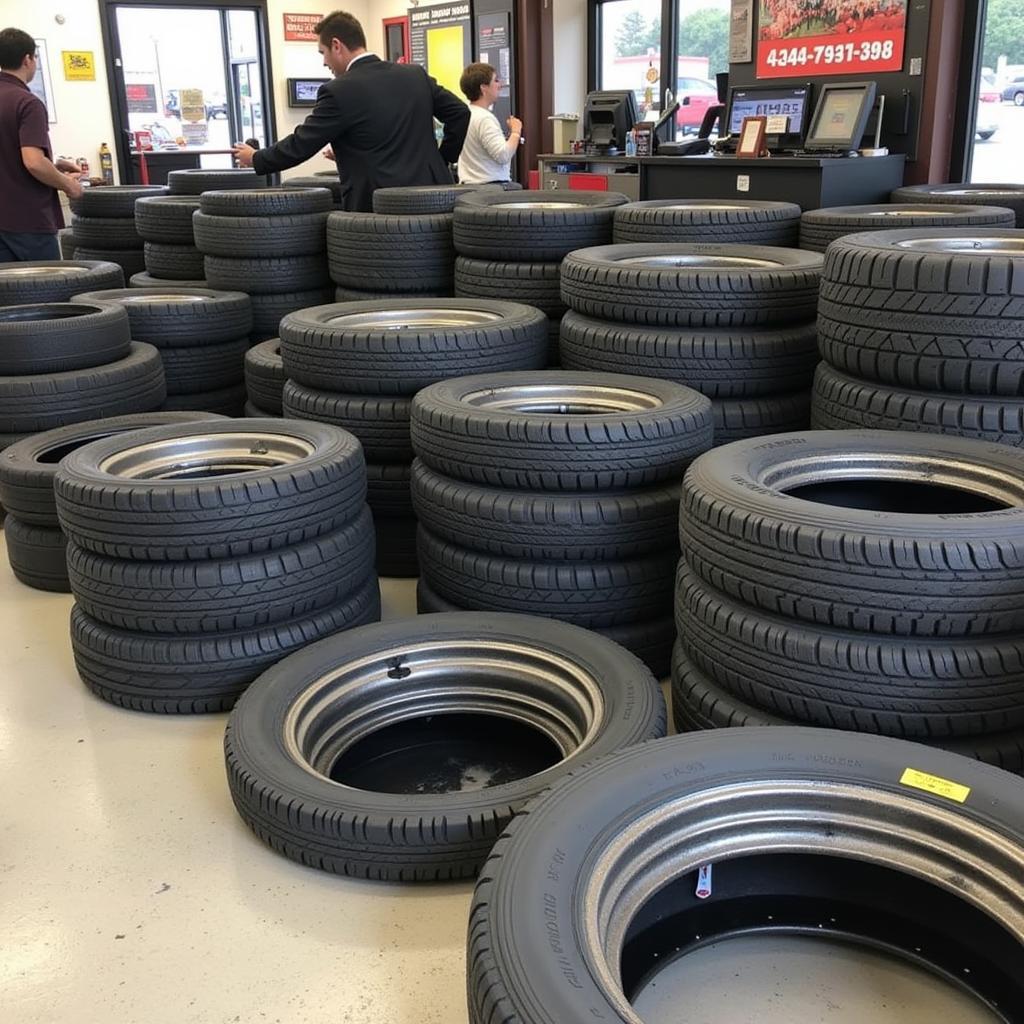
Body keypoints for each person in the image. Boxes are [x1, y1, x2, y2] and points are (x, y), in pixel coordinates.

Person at [232, 10, 469, 213]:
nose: (324, 63)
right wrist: (443, 158)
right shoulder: (415, 75)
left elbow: (301, 144)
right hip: (434, 199)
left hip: (379, 209)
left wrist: (256, 158)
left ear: (337, 45)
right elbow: (460, 113)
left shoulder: (338, 91)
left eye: (322, 53)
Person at [0, 27, 83, 262]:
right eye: (35, 57)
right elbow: (33, 162)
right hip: (26, 220)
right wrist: (68, 185)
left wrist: (54, 164)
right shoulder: (27, 103)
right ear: (27, 59)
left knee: (7, 295)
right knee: (46, 292)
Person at [456, 63, 522, 185]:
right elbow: (503, 155)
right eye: (495, 81)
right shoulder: (485, 119)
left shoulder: (465, 114)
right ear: (483, 88)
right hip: (491, 187)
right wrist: (516, 132)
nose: (500, 85)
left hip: (469, 185)